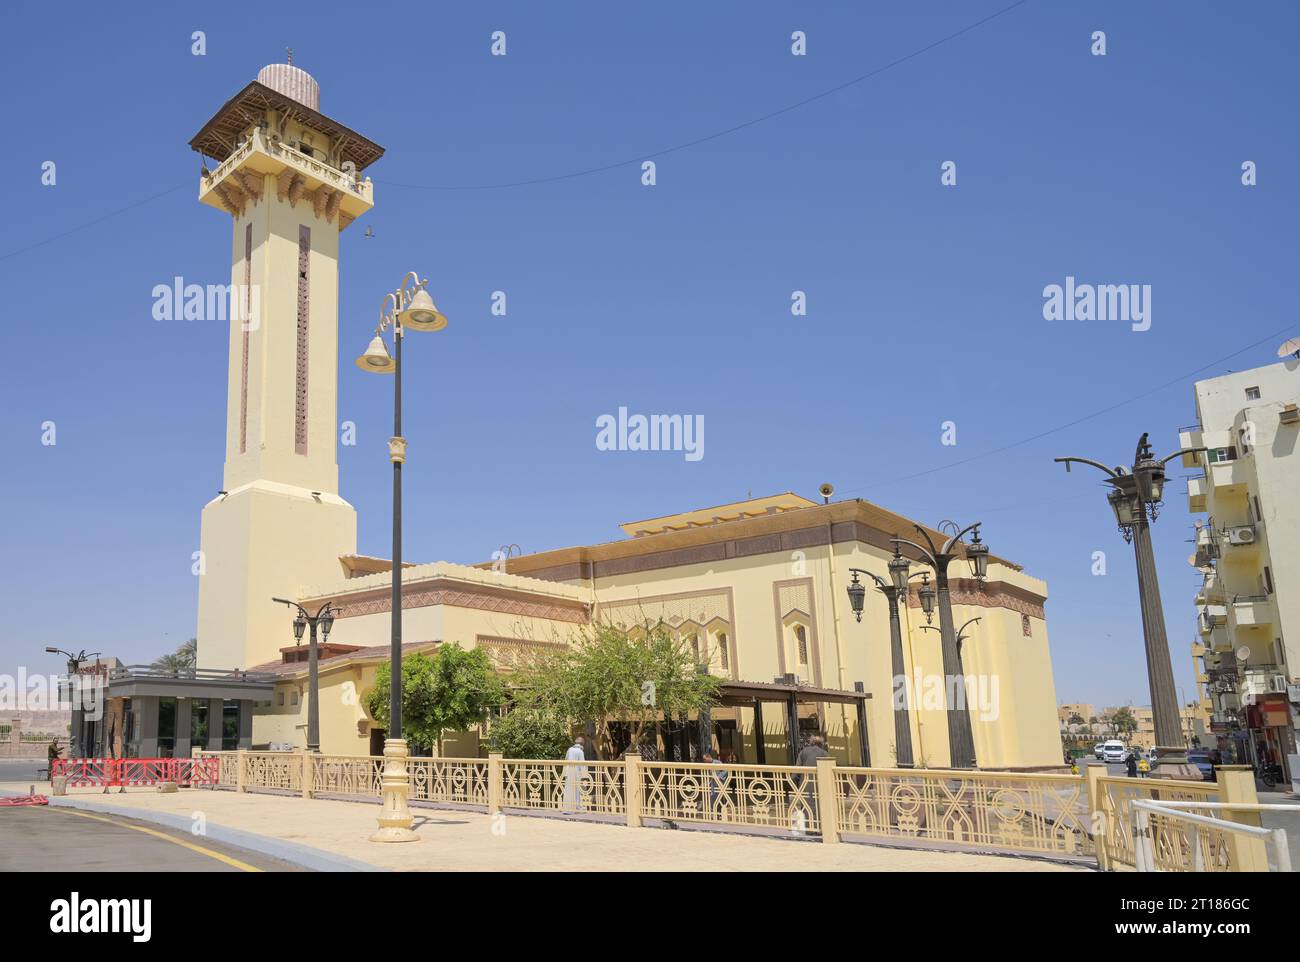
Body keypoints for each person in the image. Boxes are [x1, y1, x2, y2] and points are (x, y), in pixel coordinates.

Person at [563, 735, 587, 812]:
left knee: (568, 789)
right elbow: (582, 764)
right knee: (577, 790)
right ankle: (577, 806)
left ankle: (567, 807)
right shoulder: (580, 751)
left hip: (569, 771)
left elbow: (566, 760)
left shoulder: (570, 749)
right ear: (582, 744)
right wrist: (584, 776)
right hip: (576, 773)